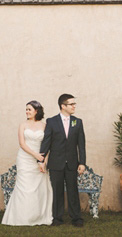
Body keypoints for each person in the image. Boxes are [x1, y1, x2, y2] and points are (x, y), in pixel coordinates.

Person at [1, 100, 53, 226]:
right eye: (26, 109)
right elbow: (22, 144)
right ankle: (21, 217)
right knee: (24, 187)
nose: (27, 112)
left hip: (40, 159)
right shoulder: (23, 125)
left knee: (39, 187)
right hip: (25, 158)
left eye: (29, 109)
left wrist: (43, 162)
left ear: (36, 111)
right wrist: (35, 155)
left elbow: (47, 146)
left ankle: (39, 216)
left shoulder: (45, 126)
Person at [39, 94, 86, 227]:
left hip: (72, 163)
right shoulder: (51, 121)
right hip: (55, 163)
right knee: (57, 191)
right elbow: (46, 142)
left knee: (73, 190)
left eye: (74, 104)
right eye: (71, 104)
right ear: (63, 106)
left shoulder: (78, 121)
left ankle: (76, 218)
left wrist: (82, 162)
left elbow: (81, 144)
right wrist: (41, 161)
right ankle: (57, 218)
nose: (74, 106)